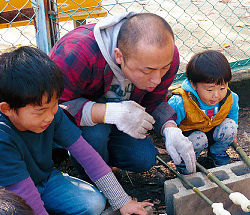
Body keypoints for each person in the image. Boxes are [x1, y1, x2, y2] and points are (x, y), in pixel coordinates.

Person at [0, 46, 153, 215]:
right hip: (11, 194)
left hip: (45, 180)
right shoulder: (3, 137)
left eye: (54, 105)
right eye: (40, 111)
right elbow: (25, 193)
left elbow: (88, 156)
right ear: (7, 109)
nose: (49, 116)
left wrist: (122, 201)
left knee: (94, 203)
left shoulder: (53, 115)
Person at [49, 11, 191, 179]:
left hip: (122, 121)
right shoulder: (75, 53)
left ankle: (104, 162)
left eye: (165, 68)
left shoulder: (163, 56)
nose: (157, 79)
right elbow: (54, 109)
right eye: (147, 71)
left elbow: (155, 100)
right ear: (119, 56)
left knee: (144, 158)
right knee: (96, 134)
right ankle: (93, 178)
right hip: (85, 125)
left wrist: (170, 129)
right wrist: (110, 113)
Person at [167, 50, 239, 174]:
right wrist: (172, 144)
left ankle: (217, 153)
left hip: (213, 132)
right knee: (198, 139)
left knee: (230, 127)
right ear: (193, 85)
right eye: (209, 89)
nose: (216, 95)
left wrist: (233, 135)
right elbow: (169, 125)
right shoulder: (180, 102)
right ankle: (185, 161)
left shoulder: (230, 98)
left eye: (222, 87)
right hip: (190, 137)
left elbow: (233, 114)